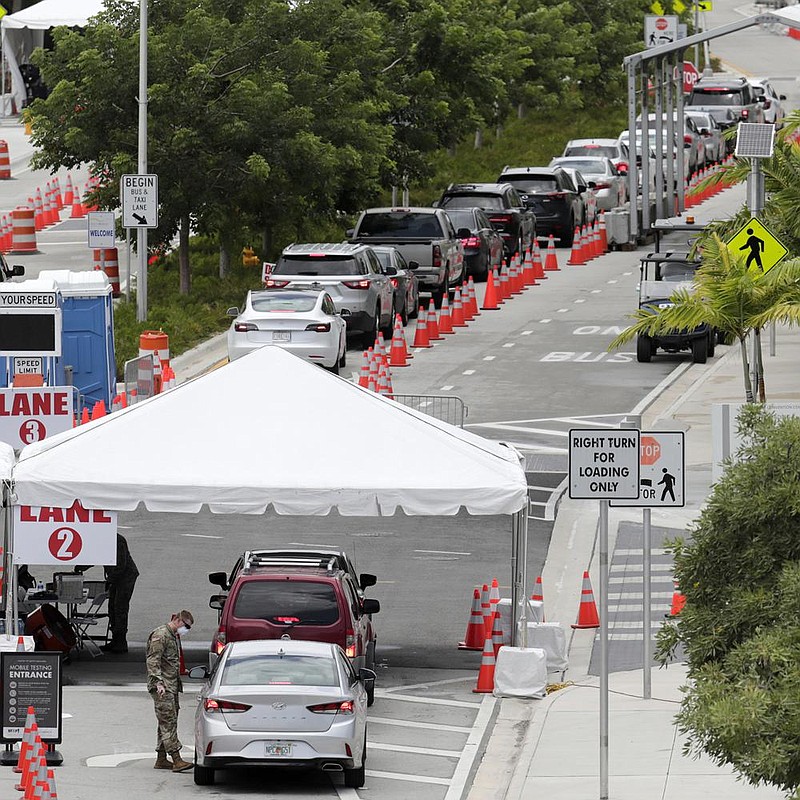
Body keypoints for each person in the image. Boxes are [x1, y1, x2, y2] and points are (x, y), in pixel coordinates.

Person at [145, 610, 195, 773]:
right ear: (179, 620)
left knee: (167, 721)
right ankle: (176, 759)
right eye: (186, 626)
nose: (186, 629)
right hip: (163, 687)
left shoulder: (171, 635)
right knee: (168, 722)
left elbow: (169, 661)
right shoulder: (161, 635)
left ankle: (161, 758)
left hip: (171, 686)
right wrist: (158, 682)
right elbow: (153, 660)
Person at [101, 534, 139, 654]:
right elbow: (96, 556)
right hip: (116, 577)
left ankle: (121, 641)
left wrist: (110, 579)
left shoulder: (118, 540)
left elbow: (121, 565)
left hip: (126, 576)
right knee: (112, 607)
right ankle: (115, 639)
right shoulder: (103, 538)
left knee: (120, 608)